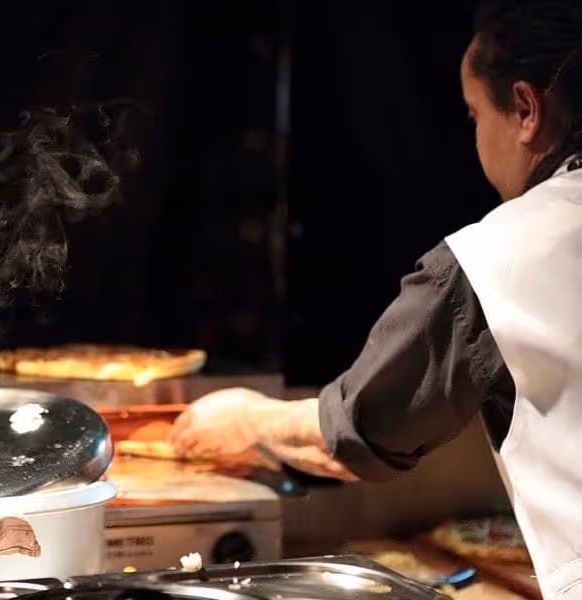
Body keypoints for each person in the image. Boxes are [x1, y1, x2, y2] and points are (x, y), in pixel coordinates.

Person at [169, 1, 582, 597]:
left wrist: (244, 419)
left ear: (525, 108)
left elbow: (364, 428)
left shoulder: (503, 257)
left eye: (473, 116)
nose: (475, 137)